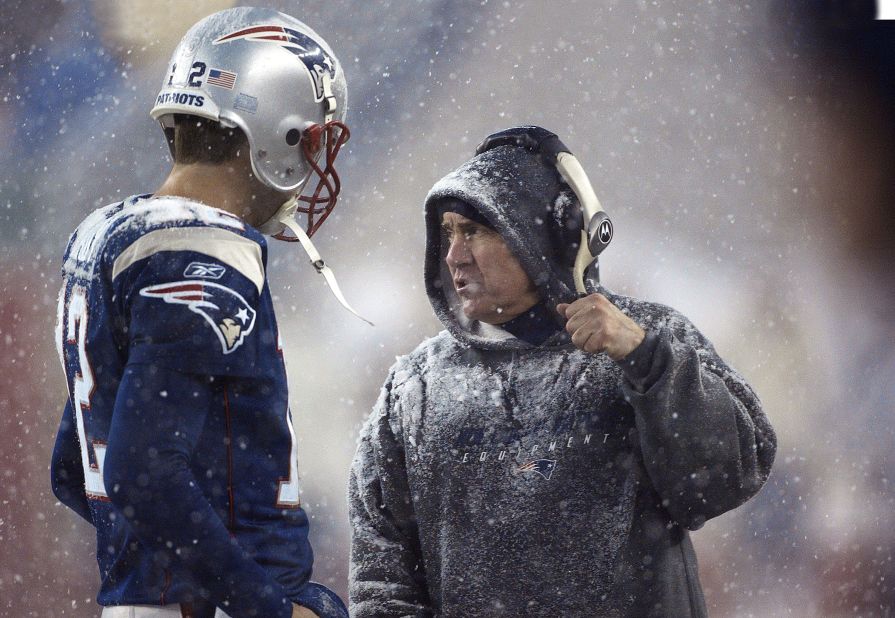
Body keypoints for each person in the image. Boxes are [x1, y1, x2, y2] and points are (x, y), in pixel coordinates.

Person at [348, 126, 777, 617]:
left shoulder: (649, 337)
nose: (453, 255)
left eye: (474, 231)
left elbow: (726, 479)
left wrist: (645, 360)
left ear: (539, 235)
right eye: (448, 232)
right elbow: (382, 585)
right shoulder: (415, 389)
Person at [51, 7, 353, 618]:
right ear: (278, 132)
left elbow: (73, 469)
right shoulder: (200, 246)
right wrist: (260, 601)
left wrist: (152, 560)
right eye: (314, 137)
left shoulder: (105, 231)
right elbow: (141, 474)